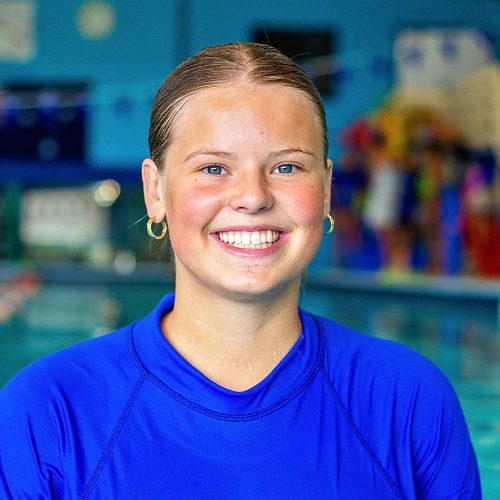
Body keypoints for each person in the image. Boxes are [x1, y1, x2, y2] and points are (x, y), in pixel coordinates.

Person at [0, 43, 481, 499]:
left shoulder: (408, 401)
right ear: (155, 192)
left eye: (287, 167)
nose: (253, 197)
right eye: (213, 168)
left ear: (328, 188)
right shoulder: (47, 411)